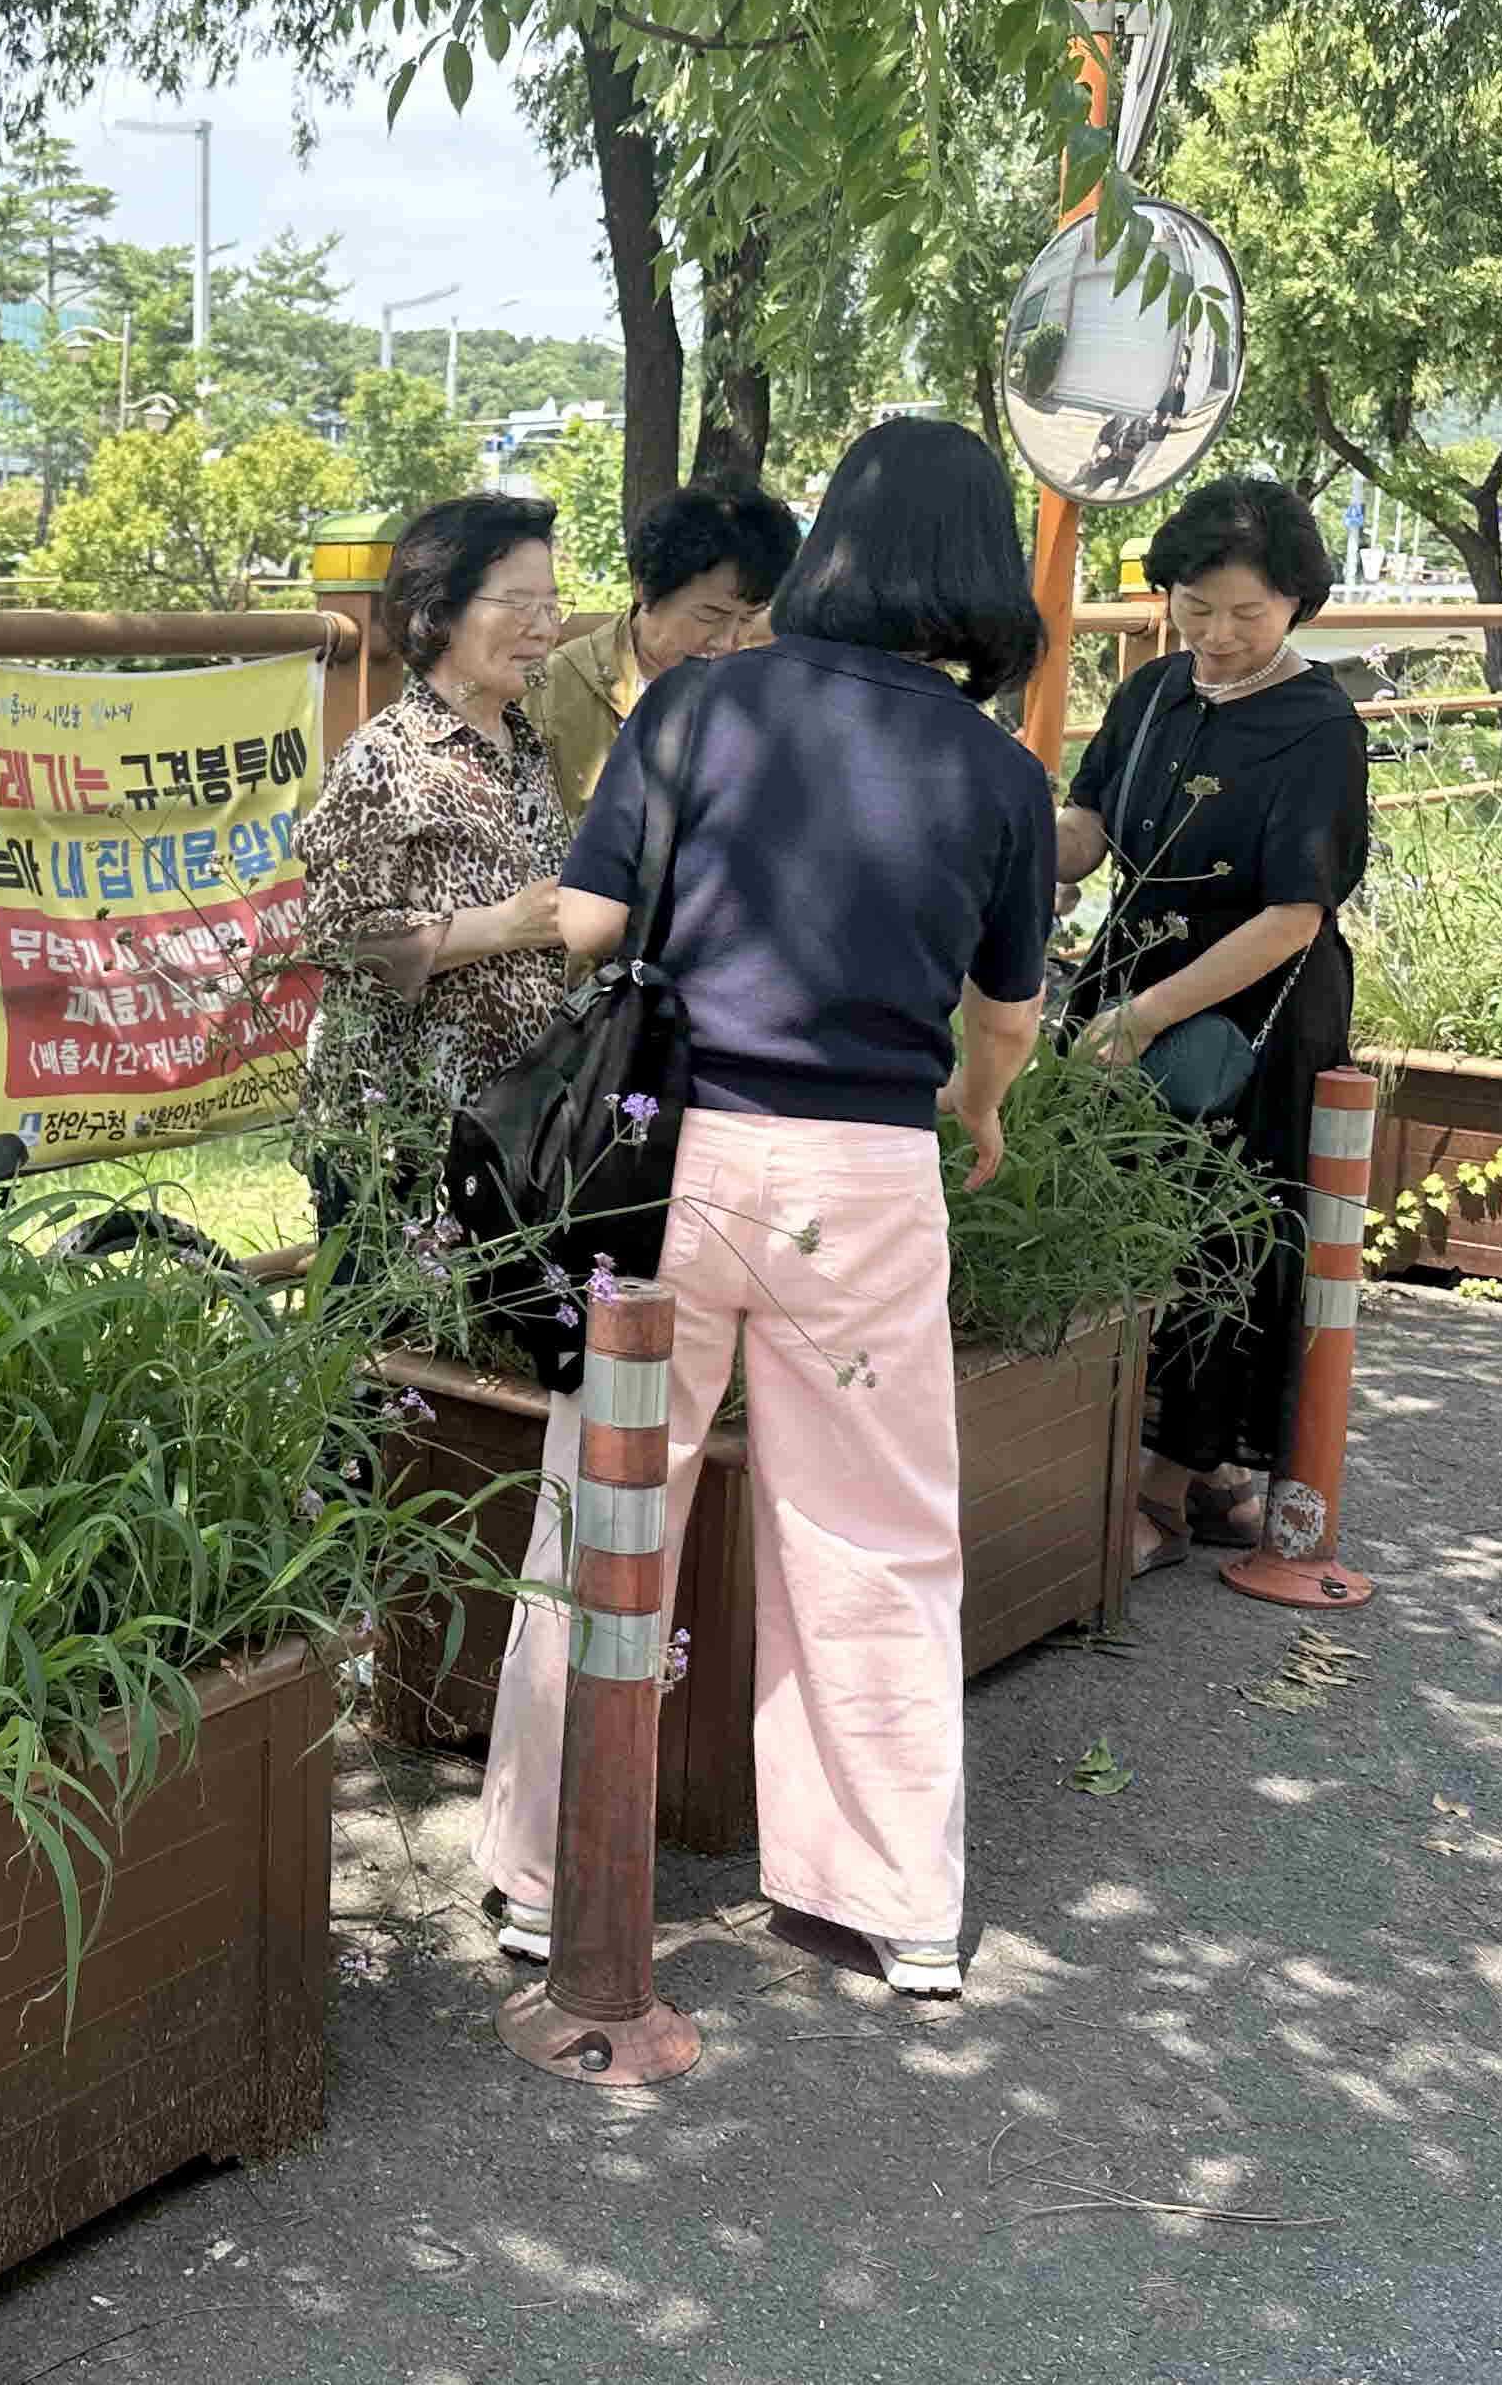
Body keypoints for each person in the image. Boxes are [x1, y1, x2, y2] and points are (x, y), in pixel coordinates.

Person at [471, 419, 1055, 2000]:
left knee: (606, 1499)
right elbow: (1003, 1016)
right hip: (863, 1178)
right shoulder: (1000, 771)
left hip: (671, 1164)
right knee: (871, 1527)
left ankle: (543, 1870)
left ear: (834, 555)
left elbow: (587, 922)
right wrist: (977, 1108)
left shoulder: (697, 705)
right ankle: (892, 1900)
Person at [1055, 478, 1369, 1566]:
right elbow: (1088, 824)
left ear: (1296, 603)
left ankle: (1166, 1485)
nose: (1218, 635)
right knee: (1105, 1214)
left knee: (1220, 1235)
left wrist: (1142, 1018)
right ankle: (1205, 1469)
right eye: (1196, 607)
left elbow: (1293, 913)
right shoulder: (1150, 693)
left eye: (1246, 613)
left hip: (1245, 1011)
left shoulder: (1320, 725)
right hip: (1130, 983)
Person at [294, 492, 574, 1230]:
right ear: (438, 612)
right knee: (397, 1343)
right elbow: (335, 936)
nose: (543, 628)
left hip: (512, 1126)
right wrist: (499, 926)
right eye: (517, 604)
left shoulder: (526, 745)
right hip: (399, 1132)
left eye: (551, 603)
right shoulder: (385, 756)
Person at [526, 481, 806, 814]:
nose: (728, 642)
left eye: (748, 619)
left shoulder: (764, 692)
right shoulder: (552, 691)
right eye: (710, 615)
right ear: (643, 587)